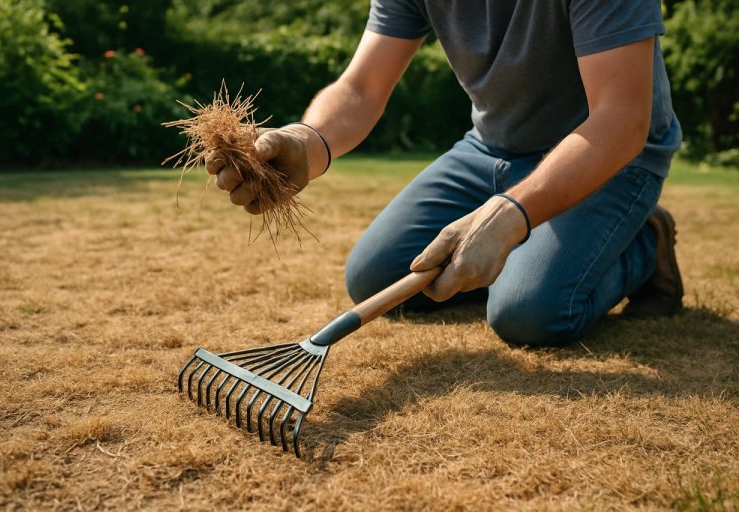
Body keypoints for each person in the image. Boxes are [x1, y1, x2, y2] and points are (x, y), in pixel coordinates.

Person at [205, 0, 684, 345]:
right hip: (492, 148)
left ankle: (643, 244)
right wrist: (308, 142)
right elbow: (362, 87)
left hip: (609, 155)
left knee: (529, 314)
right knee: (374, 278)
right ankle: (530, 251)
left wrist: (511, 213)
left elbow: (621, 119)